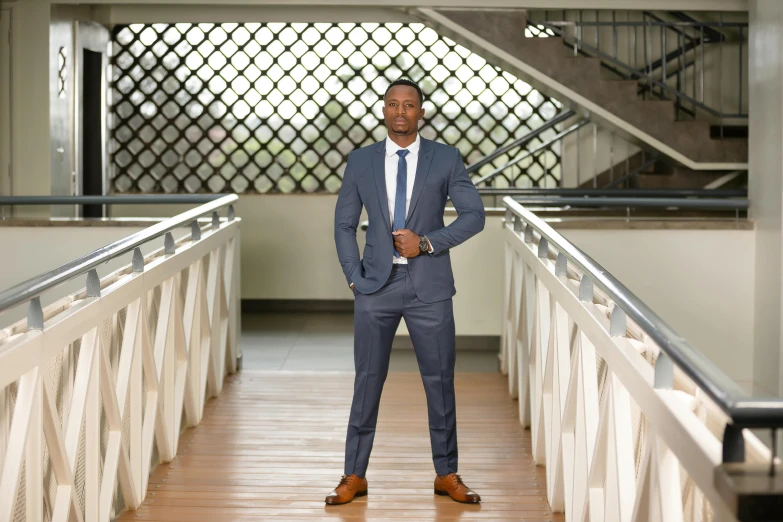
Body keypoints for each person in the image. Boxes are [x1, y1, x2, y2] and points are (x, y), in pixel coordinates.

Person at [328, 78, 486, 505]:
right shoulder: (360, 161)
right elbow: (344, 224)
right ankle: (353, 474)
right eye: (393, 104)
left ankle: (447, 473)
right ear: (384, 110)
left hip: (429, 286)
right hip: (375, 287)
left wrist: (429, 242)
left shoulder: (446, 159)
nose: (401, 111)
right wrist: (353, 276)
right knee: (367, 380)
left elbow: (474, 216)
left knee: (439, 381)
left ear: (421, 112)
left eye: (409, 105)